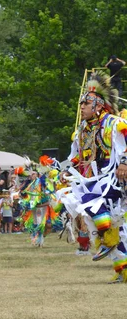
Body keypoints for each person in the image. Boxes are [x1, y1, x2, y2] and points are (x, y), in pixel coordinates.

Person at [58, 72, 127, 283]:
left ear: (98, 105)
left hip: (112, 178)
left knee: (90, 203)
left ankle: (108, 240)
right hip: (93, 179)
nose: (81, 107)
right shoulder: (82, 130)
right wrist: (65, 170)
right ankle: (122, 269)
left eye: (85, 103)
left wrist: (124, 163)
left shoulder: (114, 123)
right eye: (81, 104)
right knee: (115, 226)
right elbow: (74, 155)